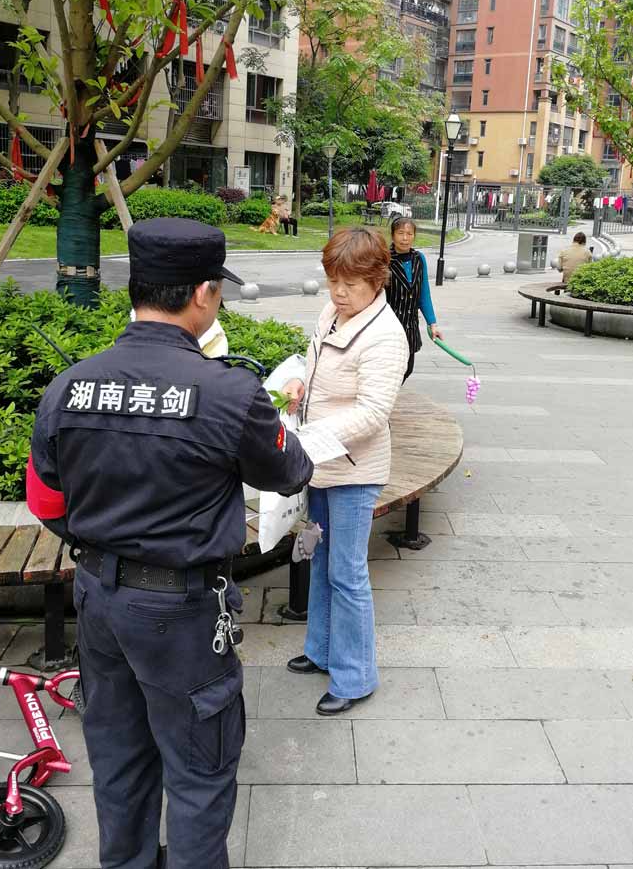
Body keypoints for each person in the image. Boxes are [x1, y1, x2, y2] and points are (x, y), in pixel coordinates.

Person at [25, 217, 313, 869]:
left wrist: (104, 548)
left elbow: (45, 502)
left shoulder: (71, 387)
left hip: (98, 601)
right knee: (199, 772)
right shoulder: (230, 393)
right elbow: (291, 470)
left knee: (119, 762)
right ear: (204, 294)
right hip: (183, 614)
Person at [280, 227, 408, 715]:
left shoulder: (385, 336)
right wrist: (297, 381)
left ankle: (355, 678)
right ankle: (322, 651)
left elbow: (373, 413)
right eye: (333, 280)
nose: (338, 292)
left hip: (354, 471)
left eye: (350, 284)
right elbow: (312, 365)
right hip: (321, 464)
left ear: (376, 280)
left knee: (347, 572)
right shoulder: (333, 313)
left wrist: (308, 437)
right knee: (319, 556)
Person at [386, 215, 443, 381]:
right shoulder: (384, 259)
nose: (405, 238)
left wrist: (432, 324)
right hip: (389, 326)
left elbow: (424, 294)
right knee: (390, 370)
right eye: (400, 233)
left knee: (407, 369)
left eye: (409, 234)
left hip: (410, 325)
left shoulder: (419, 259)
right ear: (393, 235)